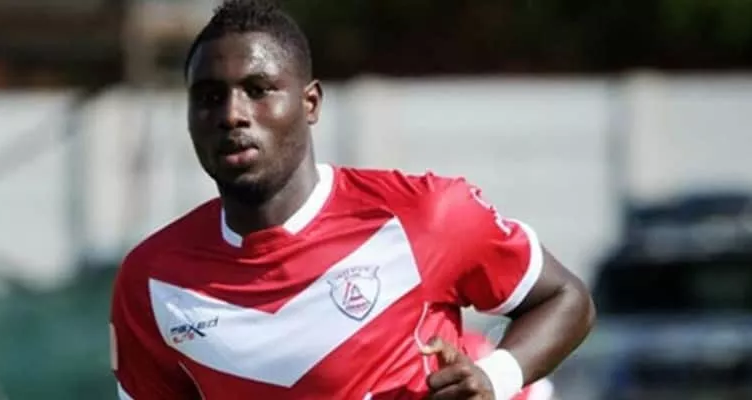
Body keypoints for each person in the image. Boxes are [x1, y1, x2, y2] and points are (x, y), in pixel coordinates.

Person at [109, 1, 596, 399]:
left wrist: (495, 378)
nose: (232, 114)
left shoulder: (425, 216)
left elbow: (565, 299)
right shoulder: (152, 280)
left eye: (258, 90)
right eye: (209, 97)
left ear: (310, 103)